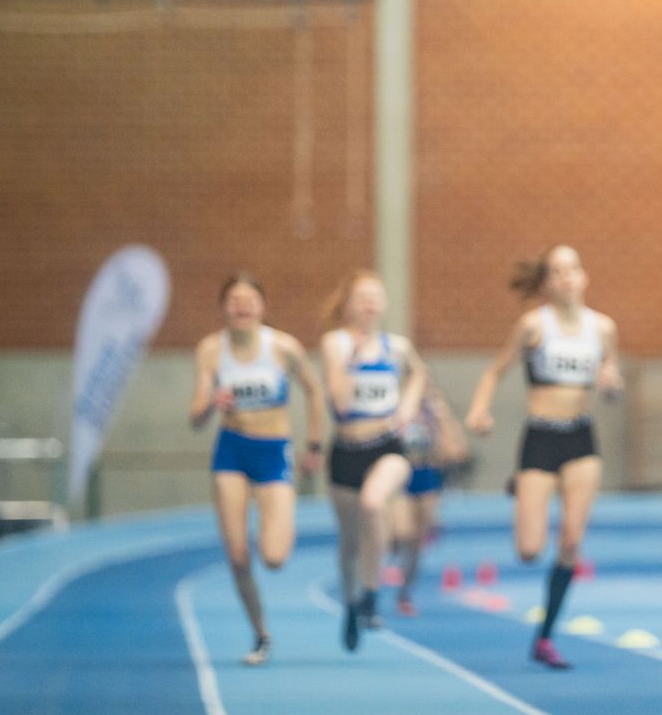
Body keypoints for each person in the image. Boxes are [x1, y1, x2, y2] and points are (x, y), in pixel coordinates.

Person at [465, 246, 624, 670]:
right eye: (557, 272)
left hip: (580, 440)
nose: (567, 278)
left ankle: (546, 636)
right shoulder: (534, 325)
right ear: (548, 283)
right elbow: (495, 371)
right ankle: (524, 486)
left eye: (573, 268)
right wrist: (481, 408)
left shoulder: (602, 328)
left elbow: (612, 384)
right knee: (530, 551)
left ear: (584, 276)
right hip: (539, 437)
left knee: (571, 541)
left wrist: (610, 384)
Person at [188, 274, 326, 666]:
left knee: (274, 557)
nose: (242, 306)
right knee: (236, 556)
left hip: (273, 451)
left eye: (250, 299)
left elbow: (314, 390)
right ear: (224, 307)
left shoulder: (283, 347)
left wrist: (314, 444)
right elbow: (195, 417)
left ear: (262, 307)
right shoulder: (211, 351)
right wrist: (213, 402)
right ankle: (261, 634)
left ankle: (282, 520)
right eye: (234, 300)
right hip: (231, 451)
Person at [320, 270, 427, 652]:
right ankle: (351, 604)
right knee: (350, 542)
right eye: (361, 296)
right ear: (348, 304)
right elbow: (342, 404)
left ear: (383, 305)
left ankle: (370, 591)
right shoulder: (335, 344)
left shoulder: (396, 347)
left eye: (375, 297)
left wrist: (408, 407)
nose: (368, 303)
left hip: (387, 446)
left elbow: (418, 375)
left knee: (373, 500)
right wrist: (352, 360)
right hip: (347, 451)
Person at [390, 386, 469, 617]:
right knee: (402, 533)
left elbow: (457, 452)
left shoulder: (434, 413)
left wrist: (443, 420)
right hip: (400, 475)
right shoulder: (394, 405)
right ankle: (387, 545)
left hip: (426, 477)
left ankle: (405, 593)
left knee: (415, 542)